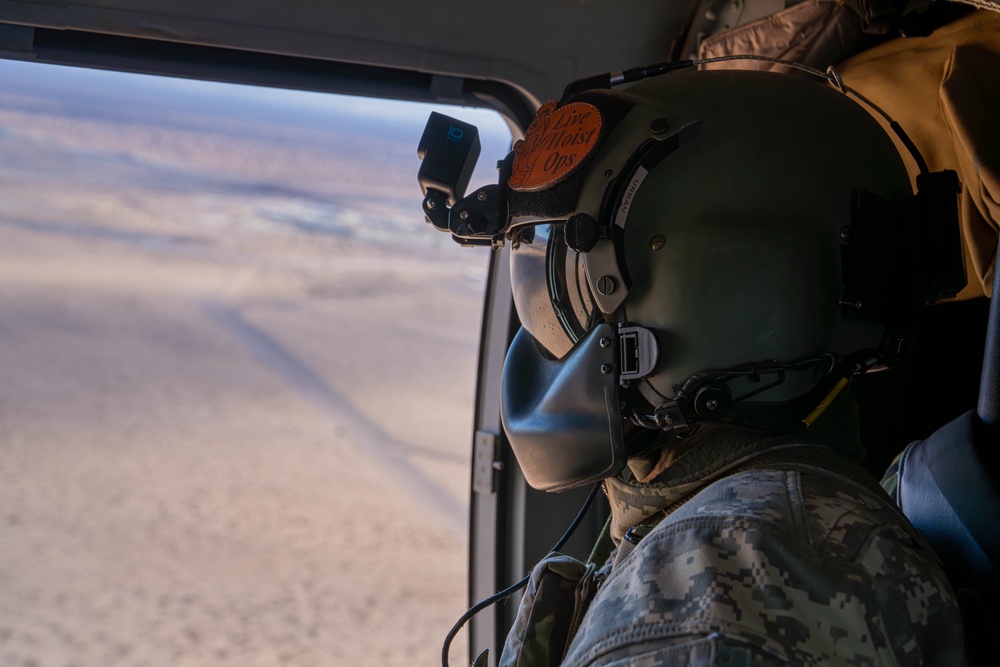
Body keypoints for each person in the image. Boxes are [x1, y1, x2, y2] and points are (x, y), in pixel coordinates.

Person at [487, 68, 969, 666]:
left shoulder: (710, 591)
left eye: (576, 286)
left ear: (726, 284)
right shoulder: (744, 531)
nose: (550, 332)